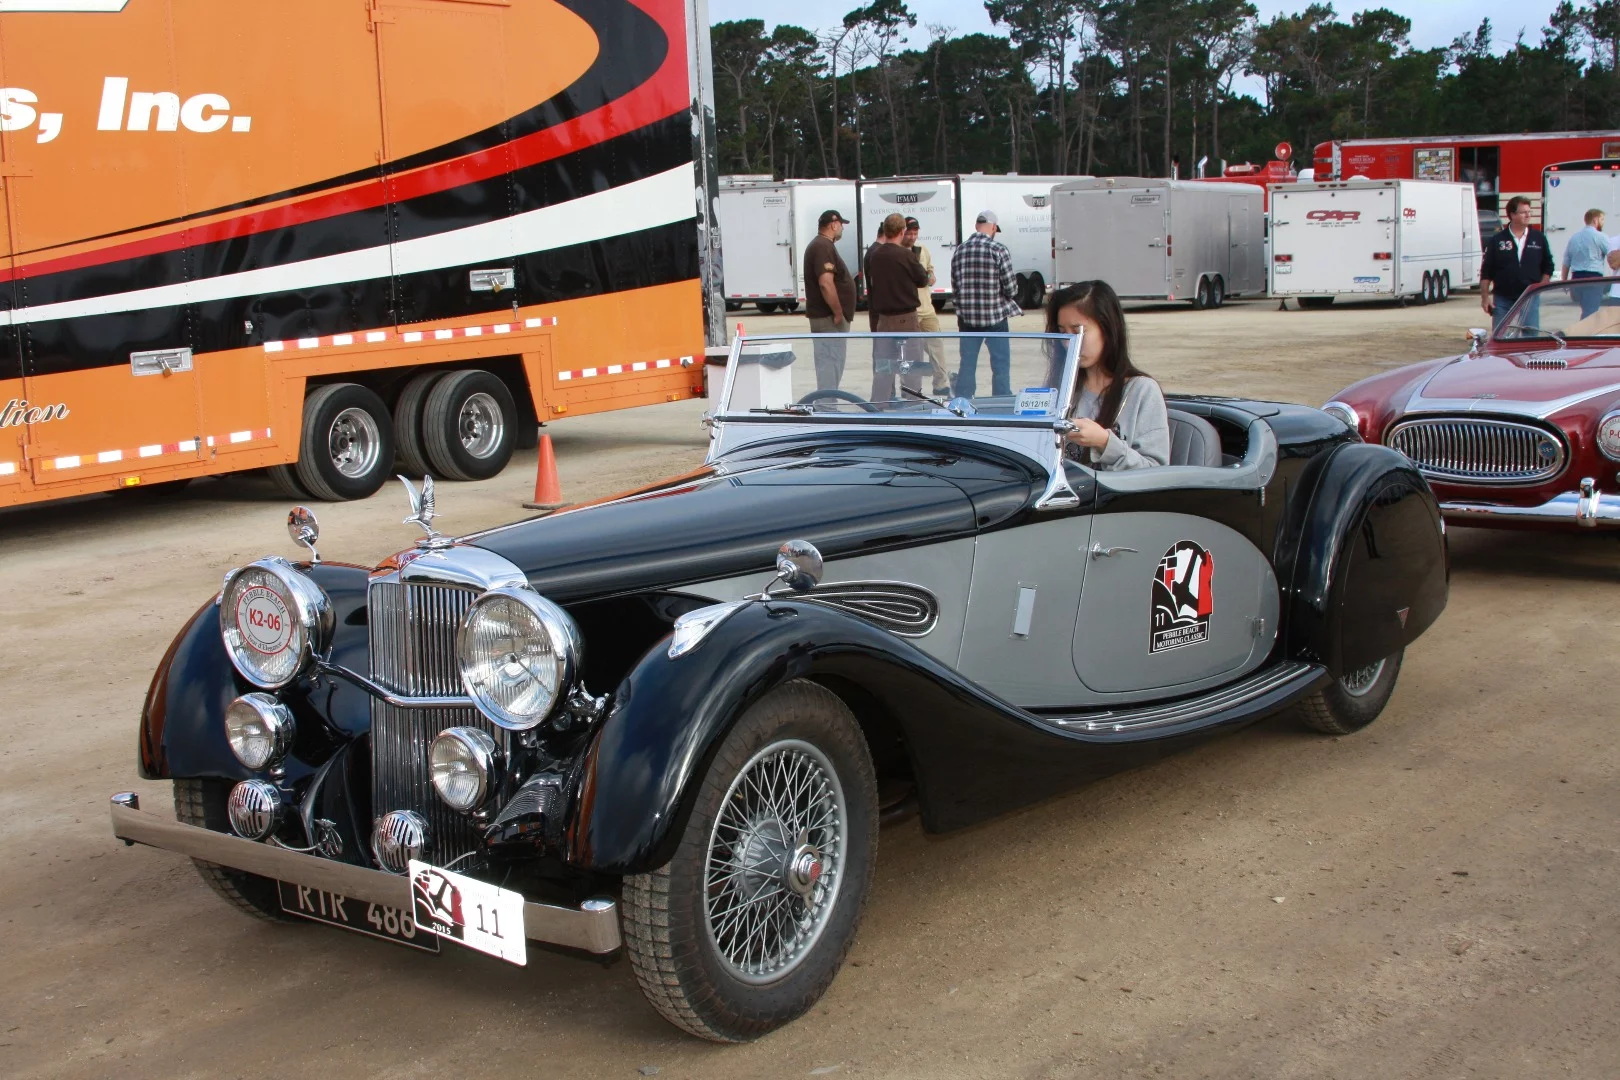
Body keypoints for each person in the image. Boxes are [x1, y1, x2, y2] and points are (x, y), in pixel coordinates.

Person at [1047, 280, 1169, 471]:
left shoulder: (1141, 390)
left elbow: (1156, 472)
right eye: (1063, 333)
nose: (1070, 343)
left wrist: (1104, 442)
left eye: (1079, 331)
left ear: (1108, 329)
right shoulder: (1061, 387)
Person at [950, 210, 1022, 399]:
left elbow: (955, 286)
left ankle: (963, 399)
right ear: (993, 228)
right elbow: (1011, 288)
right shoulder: (998, 249)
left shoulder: (960, 250)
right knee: (1000, 362)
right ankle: (1001, 398)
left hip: (967, 318)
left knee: (967, 362)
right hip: (994, 317)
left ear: (976, 226)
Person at [863, 212, 930, 402]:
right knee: (911, 365)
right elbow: (922, 279)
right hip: (906, 318)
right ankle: (913, 404)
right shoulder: (905, 255)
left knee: (884, 367)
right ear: (902, 231)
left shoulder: (875, 255)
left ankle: (879, 404)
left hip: (884, 319)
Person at [1480, 196, 1553, 327]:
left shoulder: (1538, 238)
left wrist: (1540, 286)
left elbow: (1548, 265)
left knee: (1530, 336)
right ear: (1512, 215)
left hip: (1529, 297)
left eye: (1530, 212)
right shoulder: (1498, 240)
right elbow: (1486, 271)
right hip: (1503, 297)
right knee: (1501, 335)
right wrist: (1485, 298)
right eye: (1524, 212)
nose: (1528, 215)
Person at [803, 209, 855, 389]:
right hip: (828, 319)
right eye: (841, 225)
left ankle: (828, 402)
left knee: (834, 362)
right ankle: (827, 404)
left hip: (828, 318)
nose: (842, 229)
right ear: (834, 224)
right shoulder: (822, 247)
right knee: (830, 362)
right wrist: (838, 312)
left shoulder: (824, 246)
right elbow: (825, 283)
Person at [901, 216, 951, 396]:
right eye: (909, 233)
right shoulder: (898, 252)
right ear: (902, 232)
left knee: (936, 346)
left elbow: (930, 270)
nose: (912, 237)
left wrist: (930, 276)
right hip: (909, 310)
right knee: (909, 353)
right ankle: (909, 387)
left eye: (915, 233)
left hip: (927, 309)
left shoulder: (922, 250)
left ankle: (941, 384)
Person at [1561, 208, 1609, 319]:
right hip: (1593, 278)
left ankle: (1584, 332)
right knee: (1591, 312)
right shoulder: (1600, 237)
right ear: (1595, 220)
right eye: (1602, 219)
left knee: (1586, 309)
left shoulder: (1574, 238)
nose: (1603, 222)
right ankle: (1586, 334)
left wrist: (1564, 281)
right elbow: (1612, 254)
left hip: (1576, 278)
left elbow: (1566, 260)